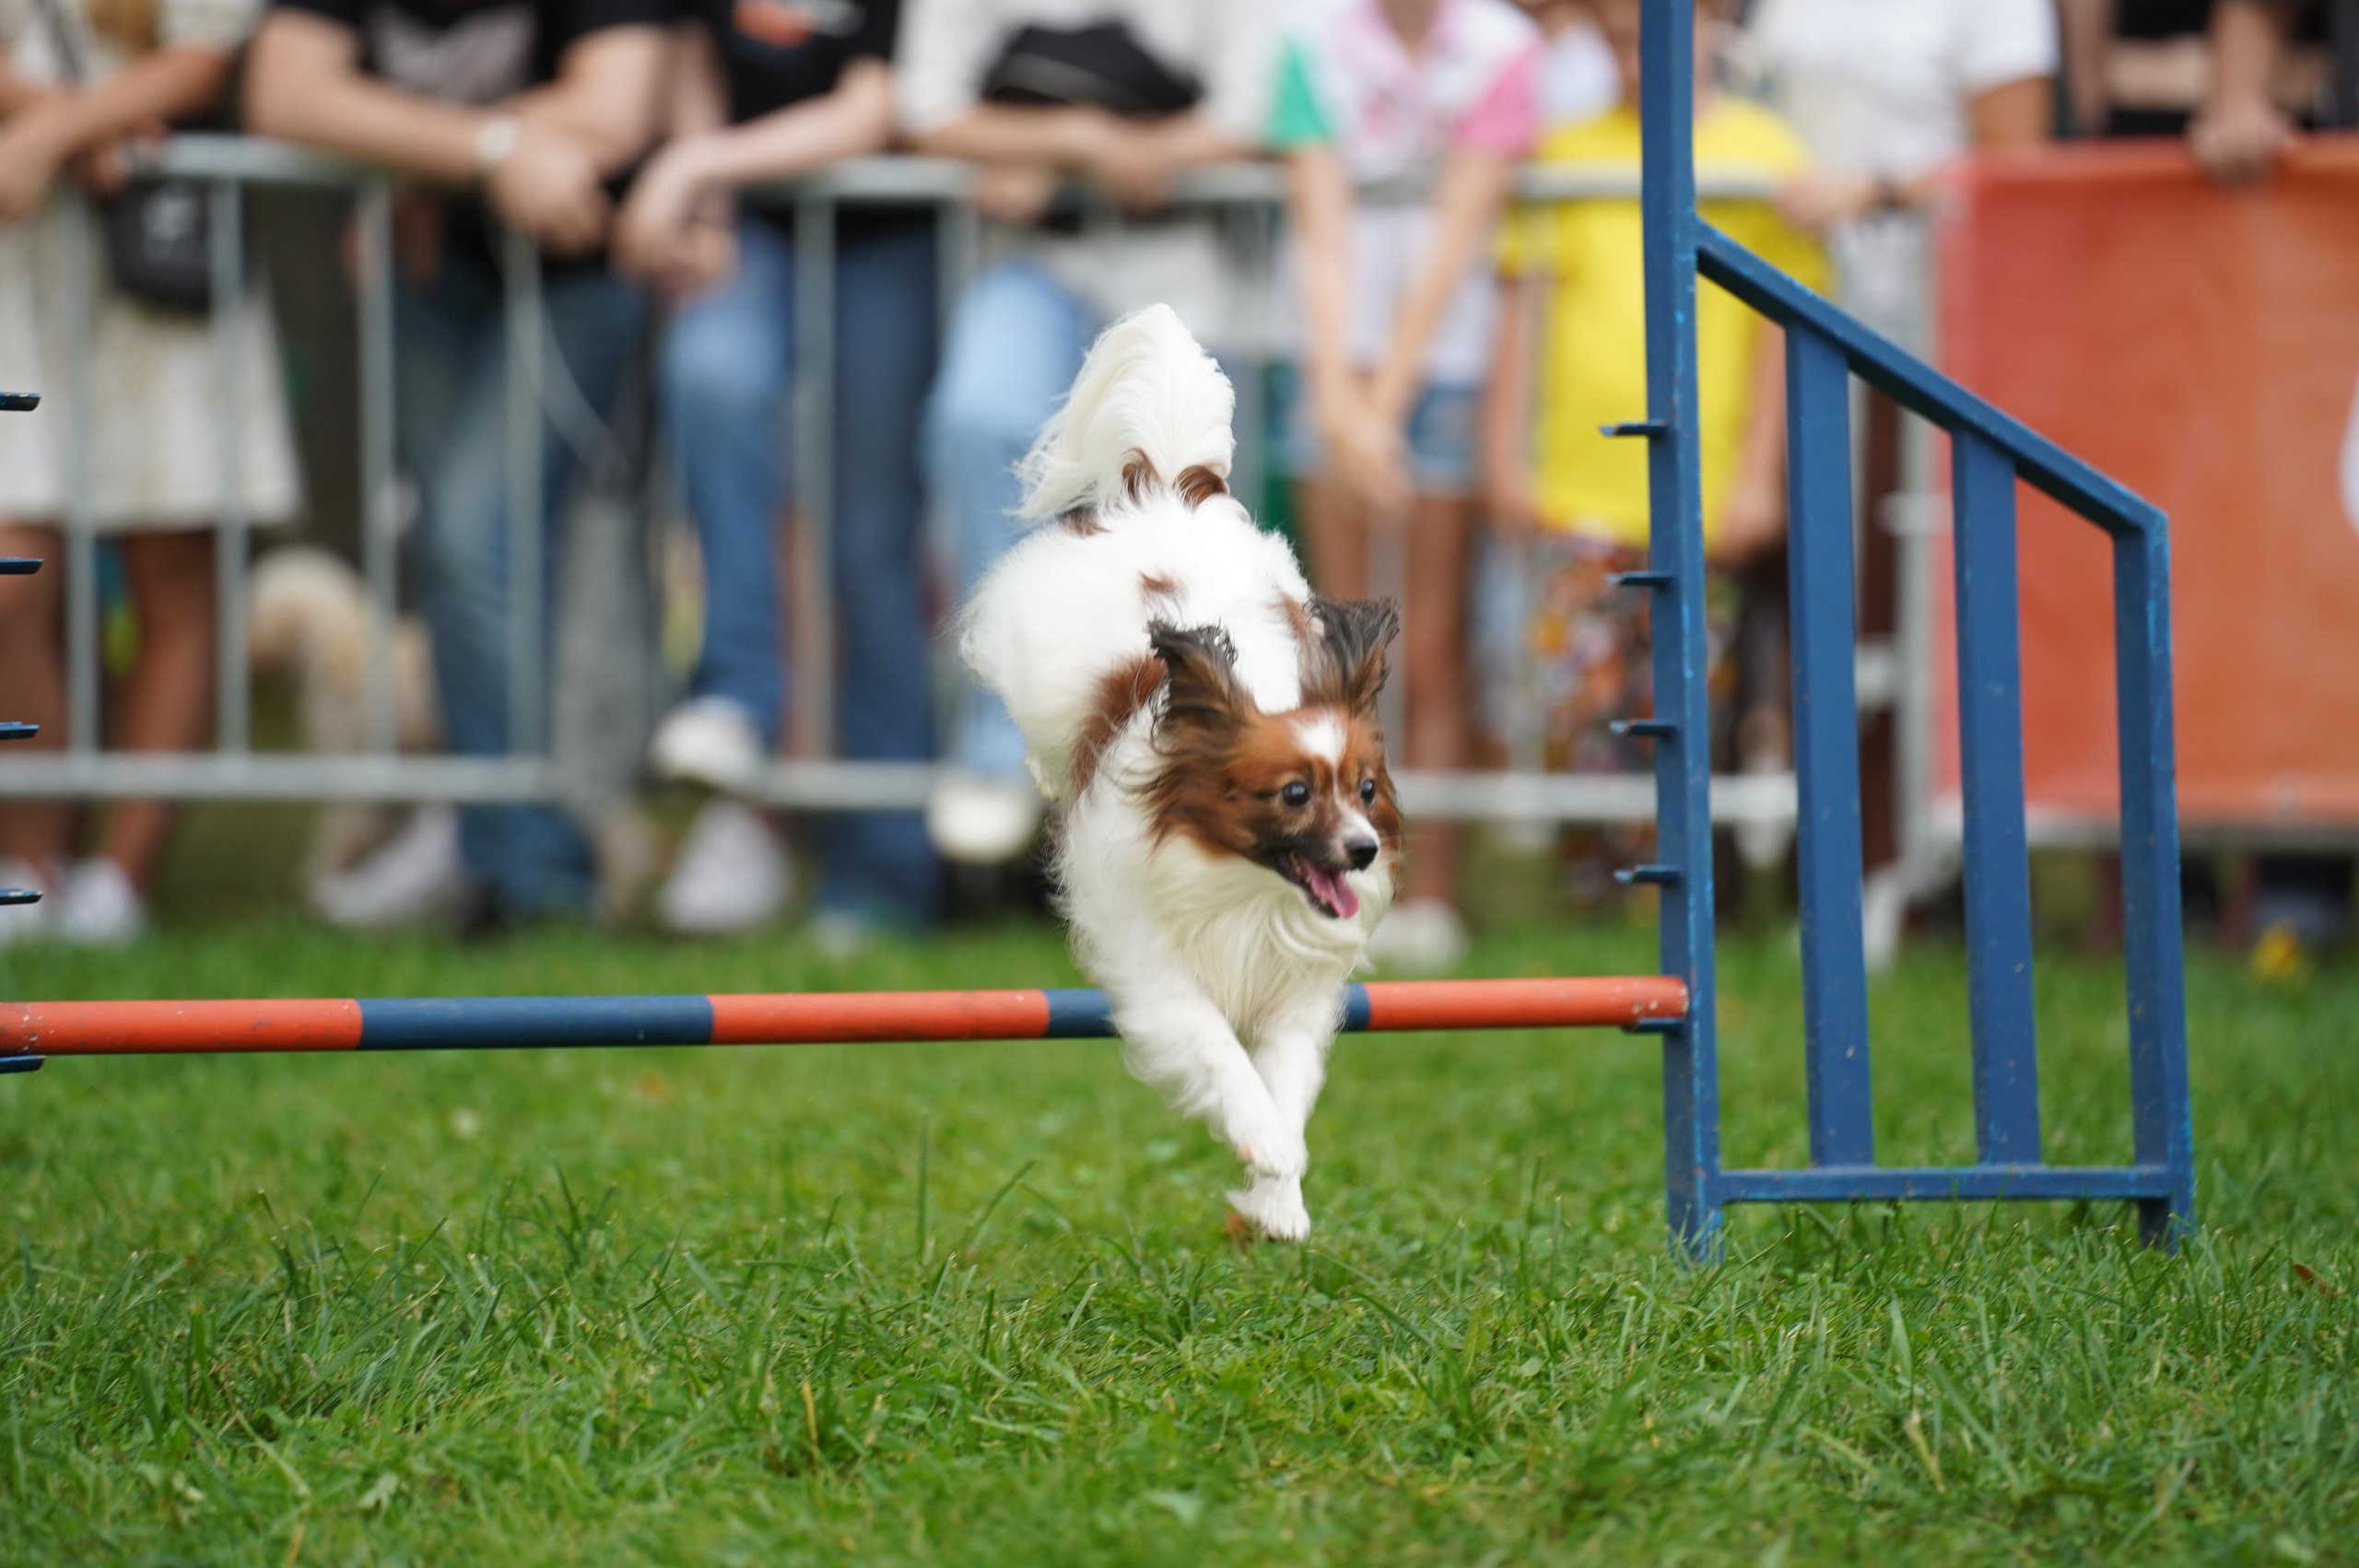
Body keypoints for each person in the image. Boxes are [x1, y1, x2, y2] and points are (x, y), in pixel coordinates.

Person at [244, 0, 672, 930]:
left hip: (578, 270)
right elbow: (283, 93)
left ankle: (539, 871)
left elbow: (615, 110)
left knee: (480, 535)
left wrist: (406, 156)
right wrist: (487, 154)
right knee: (454, 553)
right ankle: (499, 851)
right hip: (431, 267)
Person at [896, 0, 1284, 869]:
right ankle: (1002, 732)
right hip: (1030, 263)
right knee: (981, 418)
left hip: (1190, 282)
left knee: (1182, 536)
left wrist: (1081, 154)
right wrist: (1078, 141)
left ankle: (1198, 802)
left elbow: (1253, 114)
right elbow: (926, 108)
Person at [612, 0, 942, 940]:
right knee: (711, 376)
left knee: (867, 547)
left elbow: (874, 108)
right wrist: (709, 204)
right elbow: (695, 58)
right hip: (751, 226)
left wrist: (692, 167)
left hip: (886, 231)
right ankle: (736, 700)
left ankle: (884, 867)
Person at [1482, 0, 1823, 905]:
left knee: (1688, 700)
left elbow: (1779, 336)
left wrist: (1760, 477)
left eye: (1656, 37)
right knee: (1578, 701)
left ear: (1715, 24)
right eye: (1618, 41)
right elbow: (1522, 312)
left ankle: (1674, 894)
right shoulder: (1563, 155)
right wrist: (1502, 453)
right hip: (1576, 485)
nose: (1638, 61)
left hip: (1704, 490)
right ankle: (1593, 891)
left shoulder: (1767, 156)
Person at [1735, 0, 2054, 958]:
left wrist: (1873, 189)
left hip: (1923, 344)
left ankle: (1894, 875)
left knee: (1890, 621)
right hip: (1778, 330)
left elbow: (2019, 162)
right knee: (1794, 618)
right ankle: (1796, 869)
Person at [0, 0, 301, 943]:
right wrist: (70, 124)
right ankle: (31, 871)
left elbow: (207, 54)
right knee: (17, 579)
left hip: (161, 248)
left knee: (172, 573)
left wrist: (56, 132)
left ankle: (116, 888)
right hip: (24, 258)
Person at [1269, 0, 1542, 972]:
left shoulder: (1504, 48)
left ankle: (1430, 896)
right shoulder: (1306, 37)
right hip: (1329, 368)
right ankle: (1326, 885)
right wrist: (1341, 400)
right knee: (1336, 649)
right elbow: (1320, 230)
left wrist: (1378, 402)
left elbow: (1460, 234)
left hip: (1448, 369)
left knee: (1428, 642)